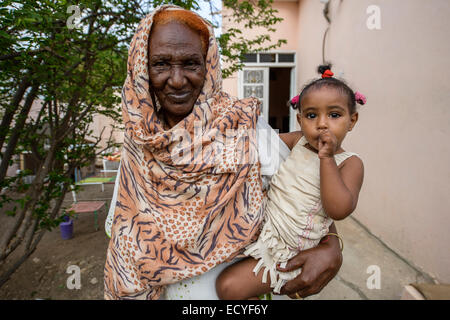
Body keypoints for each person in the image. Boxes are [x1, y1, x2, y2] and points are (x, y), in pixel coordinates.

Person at [104, 5, 343, 300]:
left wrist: (330, 242)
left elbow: (302, 190)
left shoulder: (243, 128)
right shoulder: (140, 143)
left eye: (191, 63)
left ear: (209, 65)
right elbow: (121, 233)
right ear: (142, 69)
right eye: (161, 64)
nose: (177, 80)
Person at [215, 65, 366, 300]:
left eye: (334, 115)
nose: (322, 124)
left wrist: (326, 159)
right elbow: (262, 145)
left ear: (352, 120)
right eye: (312, 115)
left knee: (228, 287)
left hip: (287, 250)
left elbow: (339, 209)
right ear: (300, 119)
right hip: (262, 228)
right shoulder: (298, 141)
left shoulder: (349, 163)